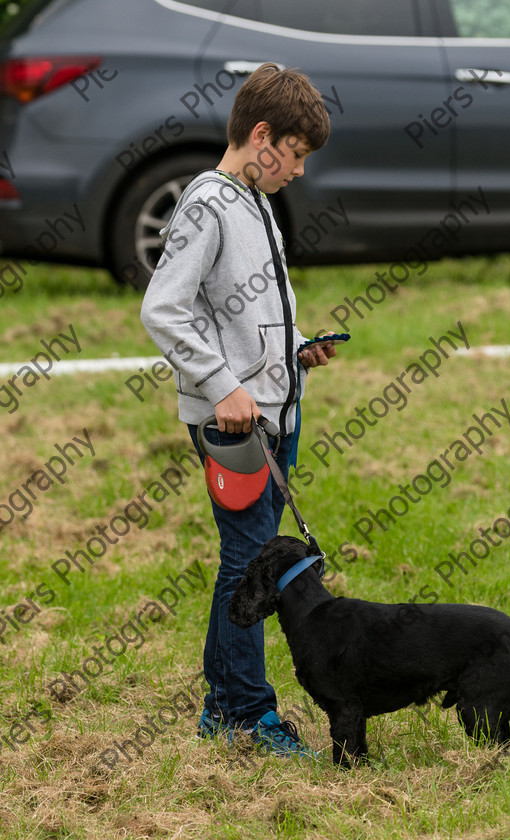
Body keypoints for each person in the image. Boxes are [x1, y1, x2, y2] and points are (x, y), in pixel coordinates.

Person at [141, 63, 336, 757]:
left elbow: (245, 308)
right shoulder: (208, 202)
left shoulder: (253, 200)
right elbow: (162, 308)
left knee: (249, 556)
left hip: (271, 414)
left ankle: (225, 706)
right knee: (248, 563)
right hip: (233, 423)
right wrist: (222, 384)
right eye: (297, 155)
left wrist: (296, 347)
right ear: (263, 137)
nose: (301, 172)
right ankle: (246, 713)